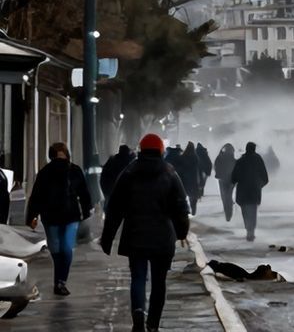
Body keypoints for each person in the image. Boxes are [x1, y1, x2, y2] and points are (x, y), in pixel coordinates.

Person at [101, 133, 190, 332]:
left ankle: (138, 317)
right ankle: (153, 325)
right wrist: (182, 231)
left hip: (135, 236)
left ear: (140, 149)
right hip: (162, 239)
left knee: (138, 278)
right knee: (159, 282)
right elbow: (180, 206)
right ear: (161, 150)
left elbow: (114, 207)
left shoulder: (129, 172)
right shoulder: (170, 173)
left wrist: (107, 238)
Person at [25, 142, 92, 296]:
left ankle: (60, 280)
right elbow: (84, 193)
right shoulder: (73, 171)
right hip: (66, 215)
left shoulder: (46, 172)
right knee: (63, 248)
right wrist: (86, 211)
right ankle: (60, 280)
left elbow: (36, 196)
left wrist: (32, 216)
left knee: (59, 248)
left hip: (54, 216)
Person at [230, 142, 270, 242]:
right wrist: (260, 185)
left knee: (245, 211)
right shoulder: (258, 160)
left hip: (243, 190)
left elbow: (234, 177)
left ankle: (248, 229)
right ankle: (251, 231)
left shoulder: (241, 161)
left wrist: (235, 181)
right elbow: (265, 176)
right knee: (253, 211)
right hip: (254, 190)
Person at [100, 144, 135, 209]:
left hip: (110, 190)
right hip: (123, 193)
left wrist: (106, 192)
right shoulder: (129, 162)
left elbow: (103, 177)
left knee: (110, 209)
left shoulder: (111, 161)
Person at [213, 144, 237, 222]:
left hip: (222, 179)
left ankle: (227, 213)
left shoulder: (220, 157)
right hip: (231, 180)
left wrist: (220, 152)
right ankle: (229, 213)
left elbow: (216, 164)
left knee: (224, 196)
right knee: (229, 196)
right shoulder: (233, 159)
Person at [177, 143, 201, 216]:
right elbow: (198, 170)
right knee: (193, 197)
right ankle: (193, 210)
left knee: (184, 196)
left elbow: (179, 169)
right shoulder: (195, 157)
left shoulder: (182, 157)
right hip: (193, 180)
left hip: (184, 180)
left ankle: (186, 211)